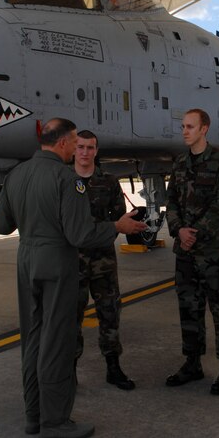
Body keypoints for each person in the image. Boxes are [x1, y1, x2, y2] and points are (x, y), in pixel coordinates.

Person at [0, 118, 146, 438]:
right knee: (57, 343)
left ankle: (34, 416)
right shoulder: (68, 179)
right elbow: (80, 233)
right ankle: (56, 422)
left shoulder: (16, 174)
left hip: (26, 261)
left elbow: (1, 225)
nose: (78, 148)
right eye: (75, 141)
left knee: (32, 339)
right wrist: (117, 228)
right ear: (63, 143)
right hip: (57, 263)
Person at [164, 108, 219, 395]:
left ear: (204, 128)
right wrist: (178, 230)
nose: (184, 131)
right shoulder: (180, 163)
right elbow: (171, 202)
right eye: (183, 126)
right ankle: (192, 363)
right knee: (188, 309)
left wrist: (192, 235)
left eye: (190, 126)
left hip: (212, 252)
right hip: (185, 253)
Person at [73, 129, 135, 390]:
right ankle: (69, 371)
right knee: (70, 317)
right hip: (72, 263)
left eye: (90, 147)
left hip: (103, 262)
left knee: (109, 314)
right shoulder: (63, 179)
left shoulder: (109, 181)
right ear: (74, 149)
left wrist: (106, 229)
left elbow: (119, 220)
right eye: (81, 147)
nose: (85, 152)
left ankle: (113, 366)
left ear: (96, 151)